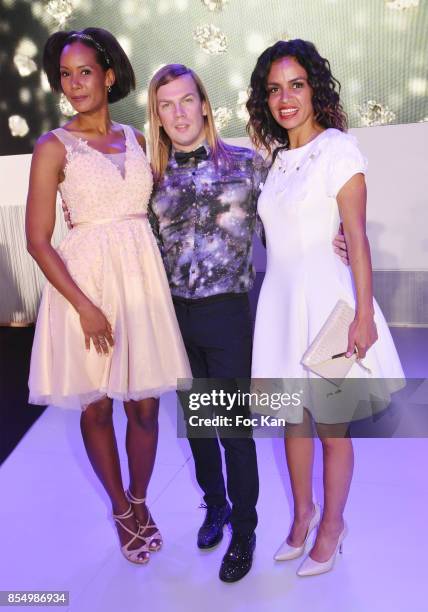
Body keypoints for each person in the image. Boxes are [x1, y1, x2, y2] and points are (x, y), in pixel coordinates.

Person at [146, 63, 349, 582]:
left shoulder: (249, 167)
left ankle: (246, 526)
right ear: (159, 117)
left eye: (187, 100)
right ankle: (214, 506)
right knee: (199, 428)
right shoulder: (152, 180)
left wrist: (337, 234)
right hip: (176, 318)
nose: (179, 113)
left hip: (230, 315)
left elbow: (295, 209)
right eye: (166, 105)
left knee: (235, 430)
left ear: (205, 104)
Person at [26, 28, 191, 565]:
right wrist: (84, 306)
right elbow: (36, 239)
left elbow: (171, 207)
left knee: (145, 407)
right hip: (85, 288)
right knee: (96, 407)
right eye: (66, 75)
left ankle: (140, 498)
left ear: (109, 75)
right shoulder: (52, 147)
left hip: (141, 285)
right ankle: (121, 509)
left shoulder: (138, 139)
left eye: (85, 72)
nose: (74, 84)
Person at [247, 39, 404, 576]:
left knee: (331, 425)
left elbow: (356, 239)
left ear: (315, 87)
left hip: (331, 307)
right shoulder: (276, 160)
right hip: (281, 305)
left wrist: (363, 314)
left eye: (296, 85)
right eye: (274, 89)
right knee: (293, 419)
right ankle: (302, 514)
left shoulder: (339, 148)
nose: (285, 98)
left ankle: (333, 526)